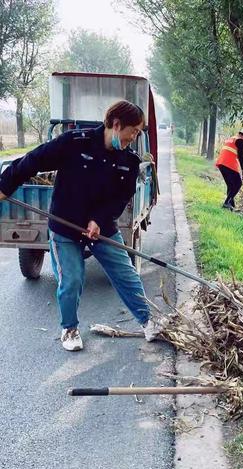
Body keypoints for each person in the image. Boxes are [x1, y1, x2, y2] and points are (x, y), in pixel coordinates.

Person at [0, 100, 165, 351]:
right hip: (65, 227)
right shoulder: (74, 143)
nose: (136, 136)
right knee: (72, 279)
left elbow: (120, 198)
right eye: (134, 130)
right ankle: (69, 329)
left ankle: (148, 322)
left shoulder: (129, 162)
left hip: (102, 230)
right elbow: (32, 161)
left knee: (126, 275)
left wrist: (98, 219)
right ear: (116, 124)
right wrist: (4, 187)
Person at [215, 127, 243, 210]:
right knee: (238, 183)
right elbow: (241, 157)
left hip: (221, 163)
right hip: (228, 164)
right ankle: (226, 203)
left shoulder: (232, 138)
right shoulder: (241, 141)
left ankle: (231, 206)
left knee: (231, 185)